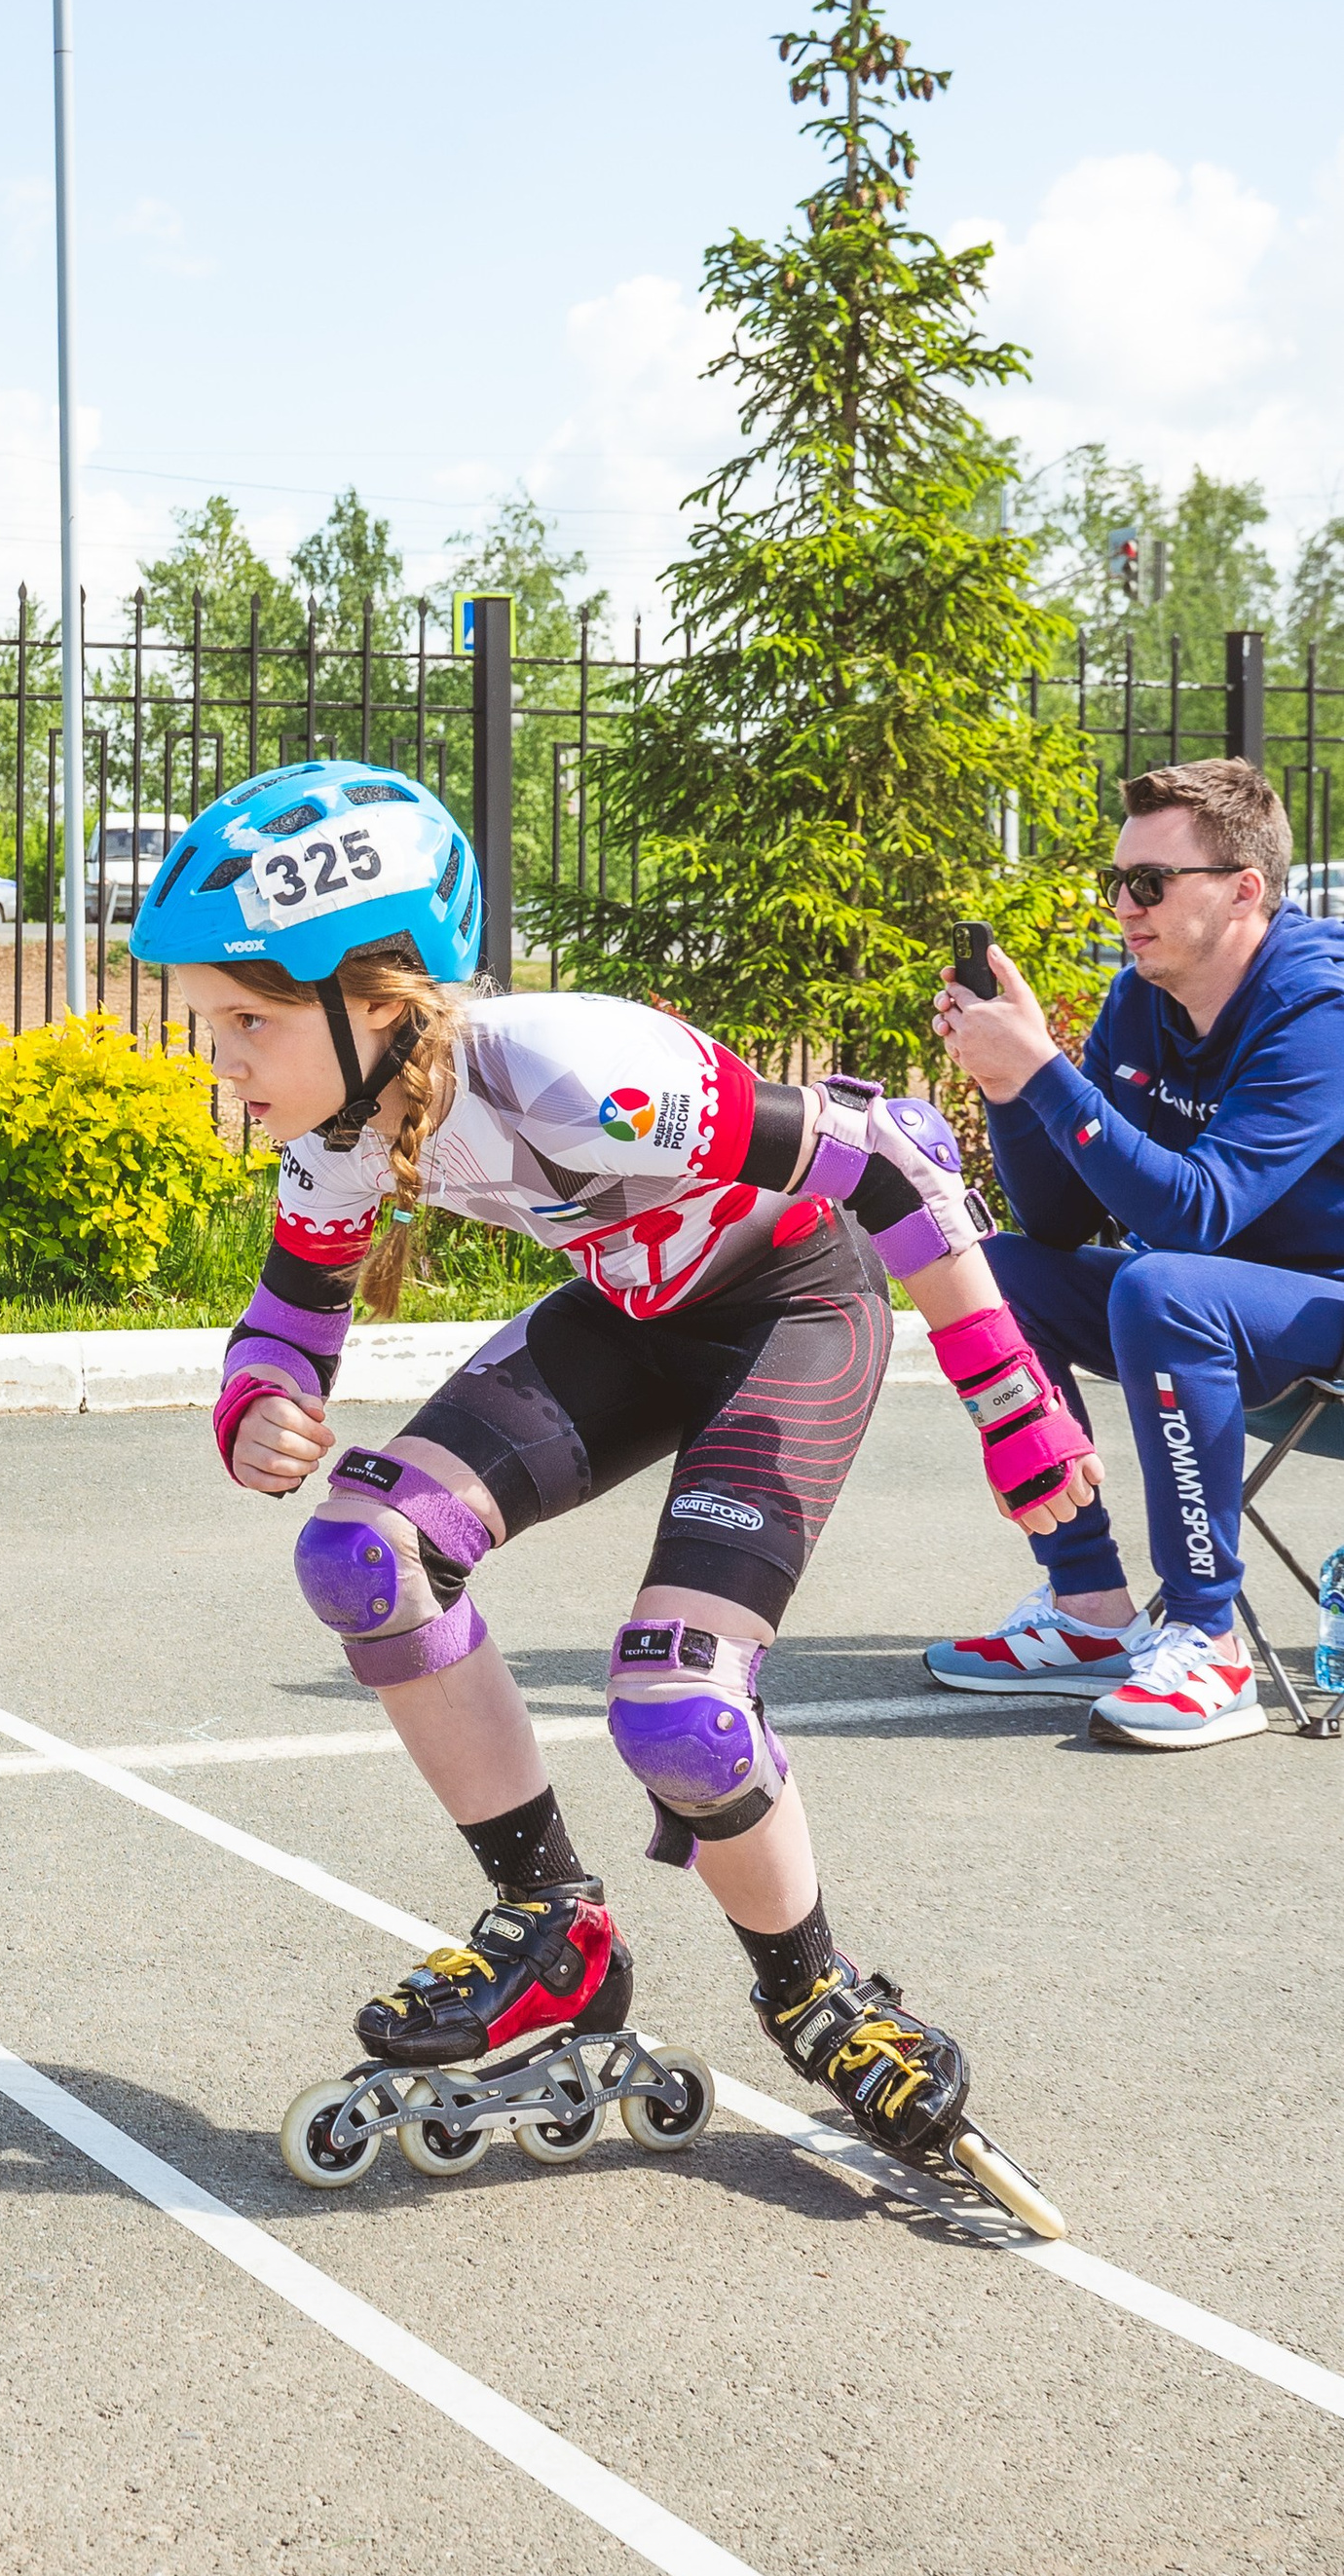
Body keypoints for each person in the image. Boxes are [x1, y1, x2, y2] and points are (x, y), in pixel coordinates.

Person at [131, 757, 1102, 2222]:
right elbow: (290, 1317)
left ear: (379, 1002)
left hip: (793, 1305)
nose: (226, 1060)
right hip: (638, 1315)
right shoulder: (343, 1126)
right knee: (364, 1555)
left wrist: (1012, 1406)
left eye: (248, 1022)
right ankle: (550, 1923)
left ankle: (820, 1996)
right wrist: (261, 1398)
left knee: (677, 1707)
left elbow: (891, 1167)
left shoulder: (588, 1071)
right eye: (214, 1025)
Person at [926, 755, 1344, 1748]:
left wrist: (1042, 1071)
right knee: (993, 1274)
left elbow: (1194, 1214)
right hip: (1218, 1312)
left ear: (1243, 889)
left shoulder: (1318, 1007)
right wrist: (1009, 1086)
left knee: (1163, 1286)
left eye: (1150, 883)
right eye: (1115, 882)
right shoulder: (1139, 1000)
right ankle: (1090, 1611)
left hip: (1323, 1316)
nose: (1124, 904)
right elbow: (1063, 1224)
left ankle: (1208, 1643)